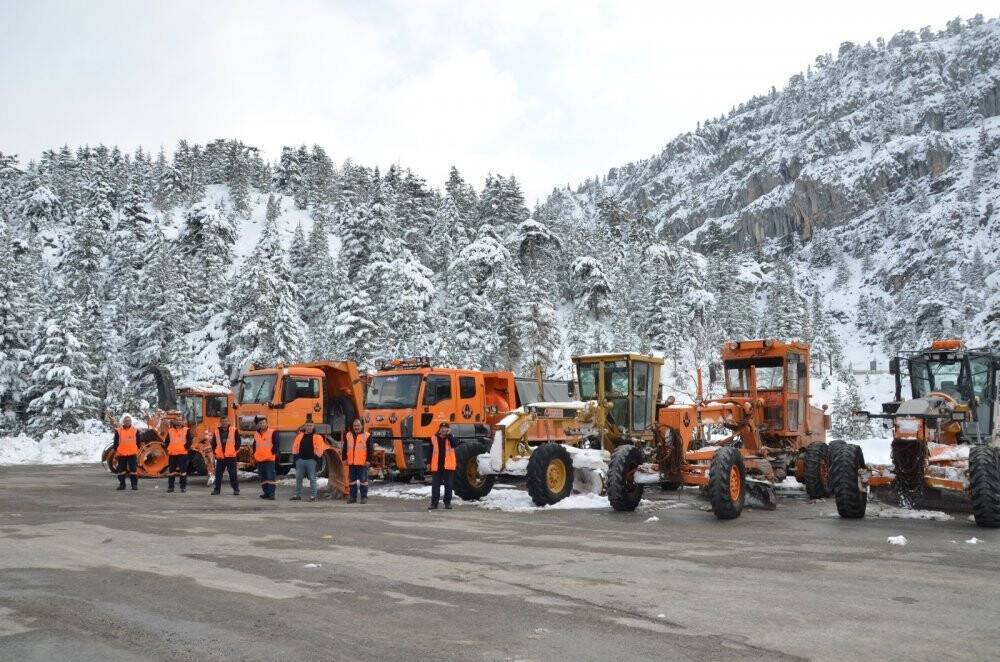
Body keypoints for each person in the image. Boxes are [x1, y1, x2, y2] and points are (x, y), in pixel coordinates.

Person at [290, 419, 327, 502]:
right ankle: (297, 495)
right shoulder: (300, 435)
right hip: (300, 460)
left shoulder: (317, 437)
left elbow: (321, 449)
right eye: (307, 425)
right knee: (298, 478)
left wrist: (316, 459)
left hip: (311, 461)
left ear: (313, 426)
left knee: (312, 478)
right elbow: (295, 446)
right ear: (305, 426)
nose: (309, 427)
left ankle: (313, 496)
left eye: (310, 425)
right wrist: (296, 458)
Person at [342, 418, 373, 504]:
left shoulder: (367, 435)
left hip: (362, 463)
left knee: (363, 481)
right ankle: (353, 497)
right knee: (352, 482)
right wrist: (344, 459)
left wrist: (368, 460)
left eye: (358, 425)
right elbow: (345, 448)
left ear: (361, 426)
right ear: (352, 426)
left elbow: (370, 450)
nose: (356, 427)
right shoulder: (348, 435)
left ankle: (364, 497)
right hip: (351, 463)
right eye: (355, 426)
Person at [428, 422, 457, 510]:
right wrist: (428, 463)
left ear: (448, 429)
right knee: (435, 486)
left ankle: (447, 503)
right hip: (437, 466)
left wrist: (450, 435)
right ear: (439, 429)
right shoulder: (434, 438)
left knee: (448, 485)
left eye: (445, 428)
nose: (443, 429)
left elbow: (455, 444)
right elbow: (430, 452)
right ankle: (434, 504)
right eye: (442, 428)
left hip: (448, 465)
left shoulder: (451, 437)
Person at [211, 417, 241, 496]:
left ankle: (236, 489)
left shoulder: (234, 430)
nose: (224, 422)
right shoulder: (216, 431)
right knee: (218, 474)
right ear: (220, 422)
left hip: (231, 456)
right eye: (223, 421)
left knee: (233, 474)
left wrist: (234, 450)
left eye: (226, 421)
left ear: (228, 422)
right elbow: (213, 443)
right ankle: (217, 490)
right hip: (220, 457)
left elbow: (238, 442)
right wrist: (215, 452)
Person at [112, 414, 140, 491]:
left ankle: (134, 485)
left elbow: (138, 442)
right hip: (122, 454)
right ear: (123, 422)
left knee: (133, 470)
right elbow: (116, 443)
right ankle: (122, 485)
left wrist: (136, 449)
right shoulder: (118, 431)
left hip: (132, 454)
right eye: (126, 421)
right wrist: (116, 451)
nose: (127, 422)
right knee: (121, 471)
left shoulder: (135, 430)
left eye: (129, 420)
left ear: (131, 421)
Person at [165, 418, 193, 493]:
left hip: (182, 454)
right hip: (172, 454)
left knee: (183, 472)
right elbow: (167, 441)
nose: (179, 421)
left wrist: (185, 447)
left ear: (183, 421)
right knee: (171, 471)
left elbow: (190, 440)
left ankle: (183, 487)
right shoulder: (170, 430)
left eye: (180, 420)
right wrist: (168, 448)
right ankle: (171, 487)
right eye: (177, 420)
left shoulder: (187, 430)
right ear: (175, 421)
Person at [254, 419, 278, 500]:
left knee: (270, 477)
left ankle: (271, 494)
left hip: (269, 459)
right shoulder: (256, 433)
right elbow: (255, 445)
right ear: (259, 424)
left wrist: (272, 453)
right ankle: (266, 493)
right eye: (260, 423)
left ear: (267, 423)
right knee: (263, 477)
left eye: (263, 423)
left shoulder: (272, 432)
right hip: (259, 459)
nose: (262, 424)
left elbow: (276, 444)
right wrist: (254, 454)